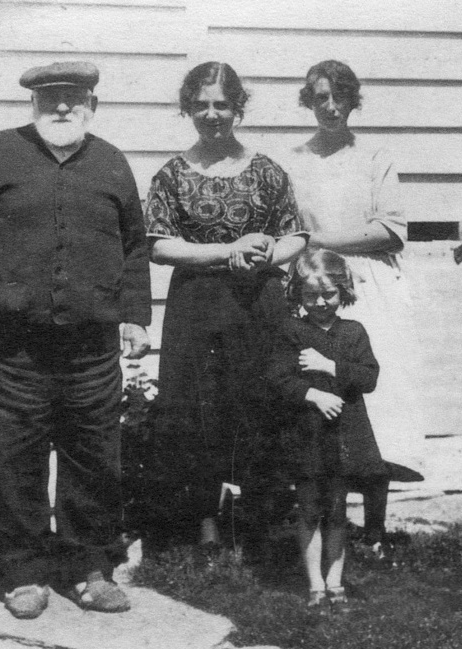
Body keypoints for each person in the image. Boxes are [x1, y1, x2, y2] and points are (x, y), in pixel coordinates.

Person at [0, 61, 151, 619]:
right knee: (18, 456)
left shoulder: (111, 161)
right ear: (33, 104)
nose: (62, 107)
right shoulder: (1, 152)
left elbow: (134, 244)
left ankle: (89, 569)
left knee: (93, 456)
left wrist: (135, 317)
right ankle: (24, 573)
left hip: (91, 346)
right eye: (50, 98)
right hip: (14, 345)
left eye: (73, 98)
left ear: (92, 105)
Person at [145, 61, 307, 556]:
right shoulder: (172, 175)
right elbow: (158, 245)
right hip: (196, 304)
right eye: (201, 105)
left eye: (221, 104)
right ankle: (205, 526)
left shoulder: (267, 170)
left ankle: (261, 522)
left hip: (258, 302)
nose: (212, 114)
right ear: (188, 109)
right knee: (197, 410)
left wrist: (263, 255)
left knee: (260, 402)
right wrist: (226, 251)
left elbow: (296, 235)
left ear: (238, 108)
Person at [283, 60, 423, 556]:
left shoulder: (374, 156)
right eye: (320, 97)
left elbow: (392, 230)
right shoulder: (294, 161)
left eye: (339, 97)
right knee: (322, 399)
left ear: (352, 100)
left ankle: (377, 530)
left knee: (372, 404)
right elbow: (287, 228)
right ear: (309, 101)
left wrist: (319, 240)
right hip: (316, 285)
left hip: (371, 285)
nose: (330, 107)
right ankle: (326, 522)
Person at [266, 250, 384, 607]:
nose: (319, 303)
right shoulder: (291, 331)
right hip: (308, 436)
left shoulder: (353, 332)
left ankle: (334, 580)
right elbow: (277, 378)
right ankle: (315, 583)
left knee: (336, 510)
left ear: (343, 291)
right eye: (310, 295)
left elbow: (369, 378)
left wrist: (329, 366)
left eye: (328, 294)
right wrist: (313, 394)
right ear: (298, 295)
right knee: (308, 509)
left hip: (345, 436)